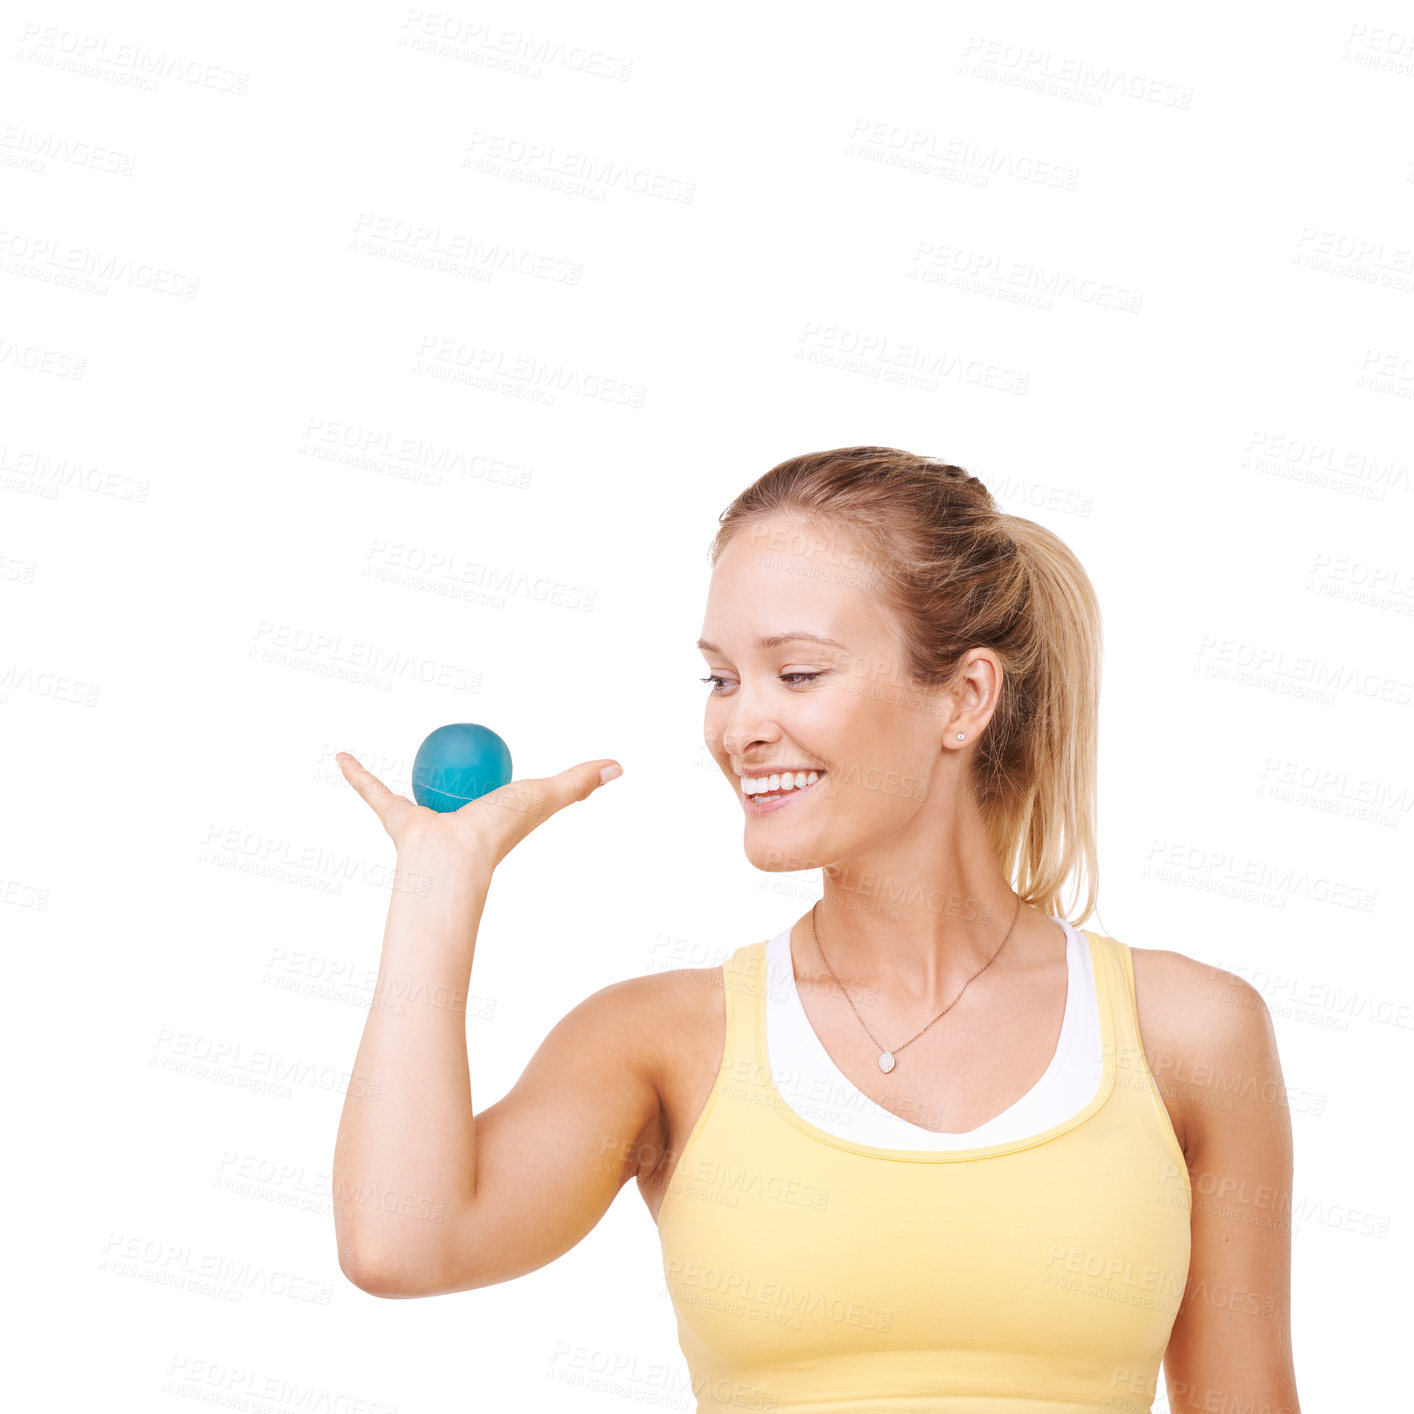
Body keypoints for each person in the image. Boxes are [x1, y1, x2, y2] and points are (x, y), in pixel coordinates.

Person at [331, 446, 1301, 1413]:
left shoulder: (1190, 1033)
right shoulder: (665, 1042)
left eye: (795, 673)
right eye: (719, 680)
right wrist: (436, 885)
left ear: (964, 697)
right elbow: (401, 1244)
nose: (740, 727)